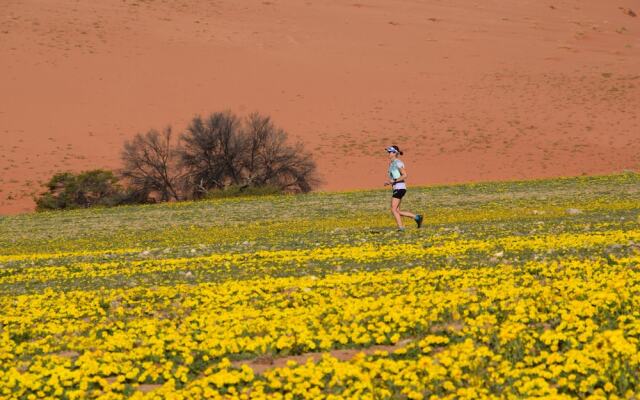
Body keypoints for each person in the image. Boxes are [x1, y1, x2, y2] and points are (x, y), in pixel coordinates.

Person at [384, 145, 423, 231]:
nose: (388, 153)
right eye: (388, 152)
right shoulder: (391, 163)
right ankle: (417, 217)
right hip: (397, 188)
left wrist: (393, 181)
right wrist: (389, 182)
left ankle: (401, 228)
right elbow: (394, 177)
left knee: (393, 209)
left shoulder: (398, 162)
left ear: (395, 153)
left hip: (400, 188)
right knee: (397, 211)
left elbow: (405, 175)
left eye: (390, 152)